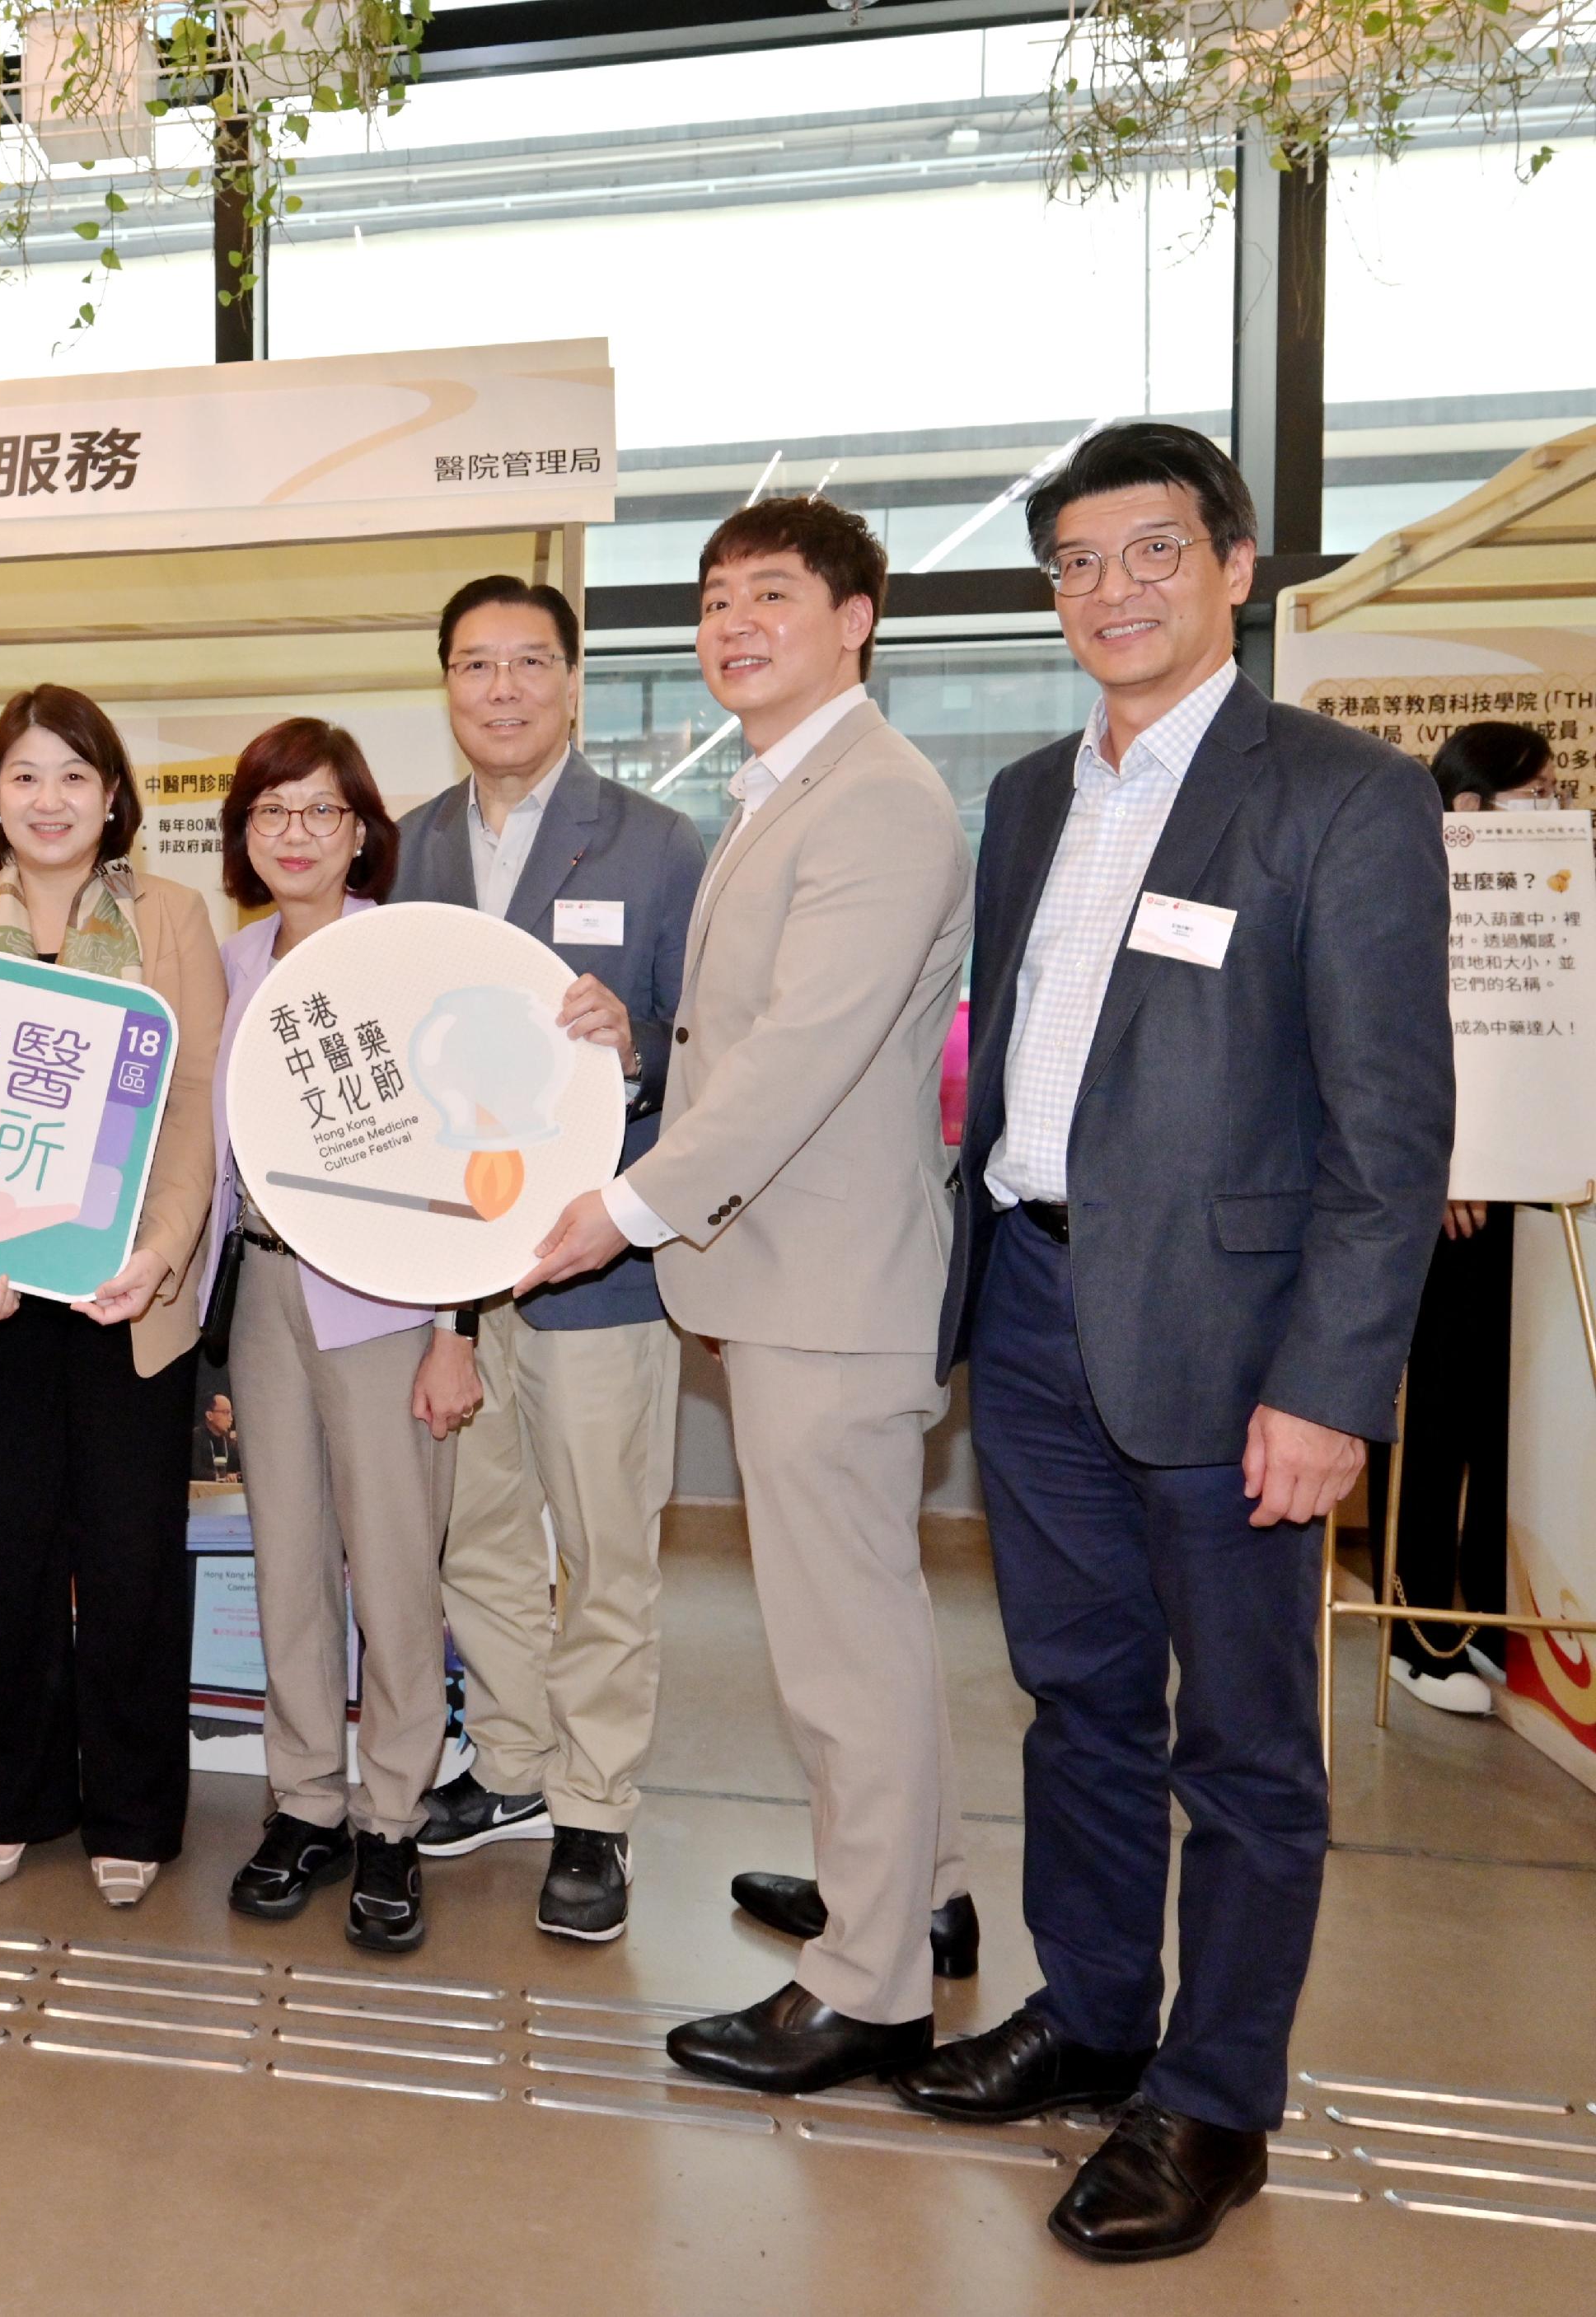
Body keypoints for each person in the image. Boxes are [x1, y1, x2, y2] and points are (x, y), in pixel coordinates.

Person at [905, 424, 1452, 2262]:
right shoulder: (1030, 800)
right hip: (1037, 1305)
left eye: (1147, 552)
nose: (1107, 590)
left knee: (1238, 1750)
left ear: (1232, 567)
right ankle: (1088, 2013)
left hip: (1229, 1349)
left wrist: (1328, 1386)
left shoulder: (1336, 797)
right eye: (1071, 561)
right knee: (1071, 1699)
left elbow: (1388, 1136)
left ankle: (1211, 2098)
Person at [518, 495, 975, 2091]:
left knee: (837, 1639)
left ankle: (869, 1982)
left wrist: (623, 1207)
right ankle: (904, 1889)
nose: (731, 627)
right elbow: (747, 1033)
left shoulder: (872, 800)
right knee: (860, 1621)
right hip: (792, 1267)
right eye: (713, 602)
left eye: (768, 597)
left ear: (855, 617)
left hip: (826, 1281)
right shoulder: (786, 784)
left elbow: (798, 1056)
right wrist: (635, 1054)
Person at [386, 574, 709, 1944]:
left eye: (528, 663)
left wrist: (631, 1045)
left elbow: (713, 1055)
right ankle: (511, 1763)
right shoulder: (407, 849)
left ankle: (595, 1807)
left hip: (602, 1264)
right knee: (479, 1537)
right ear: (446, 686)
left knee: (606, 1547)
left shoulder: (659, 846)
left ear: (572, 682)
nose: (502, 689)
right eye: (475, 665)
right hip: (460, 1267)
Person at [0, 684, 224, 1908]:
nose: (50, 800)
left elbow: (197, 1103)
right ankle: (16, 1802)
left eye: (75, 777)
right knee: (12, 1562)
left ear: (112, 798)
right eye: (27, 775)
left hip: (122, 1293)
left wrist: (159, 1250)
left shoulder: (172, 916)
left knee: (134, 1557)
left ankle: (134, 1811)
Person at [202, 718, 481, 1954]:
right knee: (289, 1559)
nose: (296, 835)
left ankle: (393, 1818)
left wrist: (453, 1328)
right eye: (272, 814)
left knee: (395, 1569)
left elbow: (470, 1156)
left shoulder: (406, 957)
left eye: (321, 812)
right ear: (242, 836)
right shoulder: (227, 963)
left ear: (362, 830)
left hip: (386, 1303)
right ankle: (305, 1800)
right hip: (262, 1290)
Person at [1383, 721, 1552, 1716]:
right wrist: (1449, 1164)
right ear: (1470, 803)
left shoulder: (1545, 900)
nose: (1551, 807)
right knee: (1435, 1416)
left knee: (1503, 1417)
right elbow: (1406, 1050)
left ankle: (1486, 1620)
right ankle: (1418, 1633)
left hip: (1527, 1194)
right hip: (1442, 1200)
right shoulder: (1418, 890)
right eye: (1532, 791)